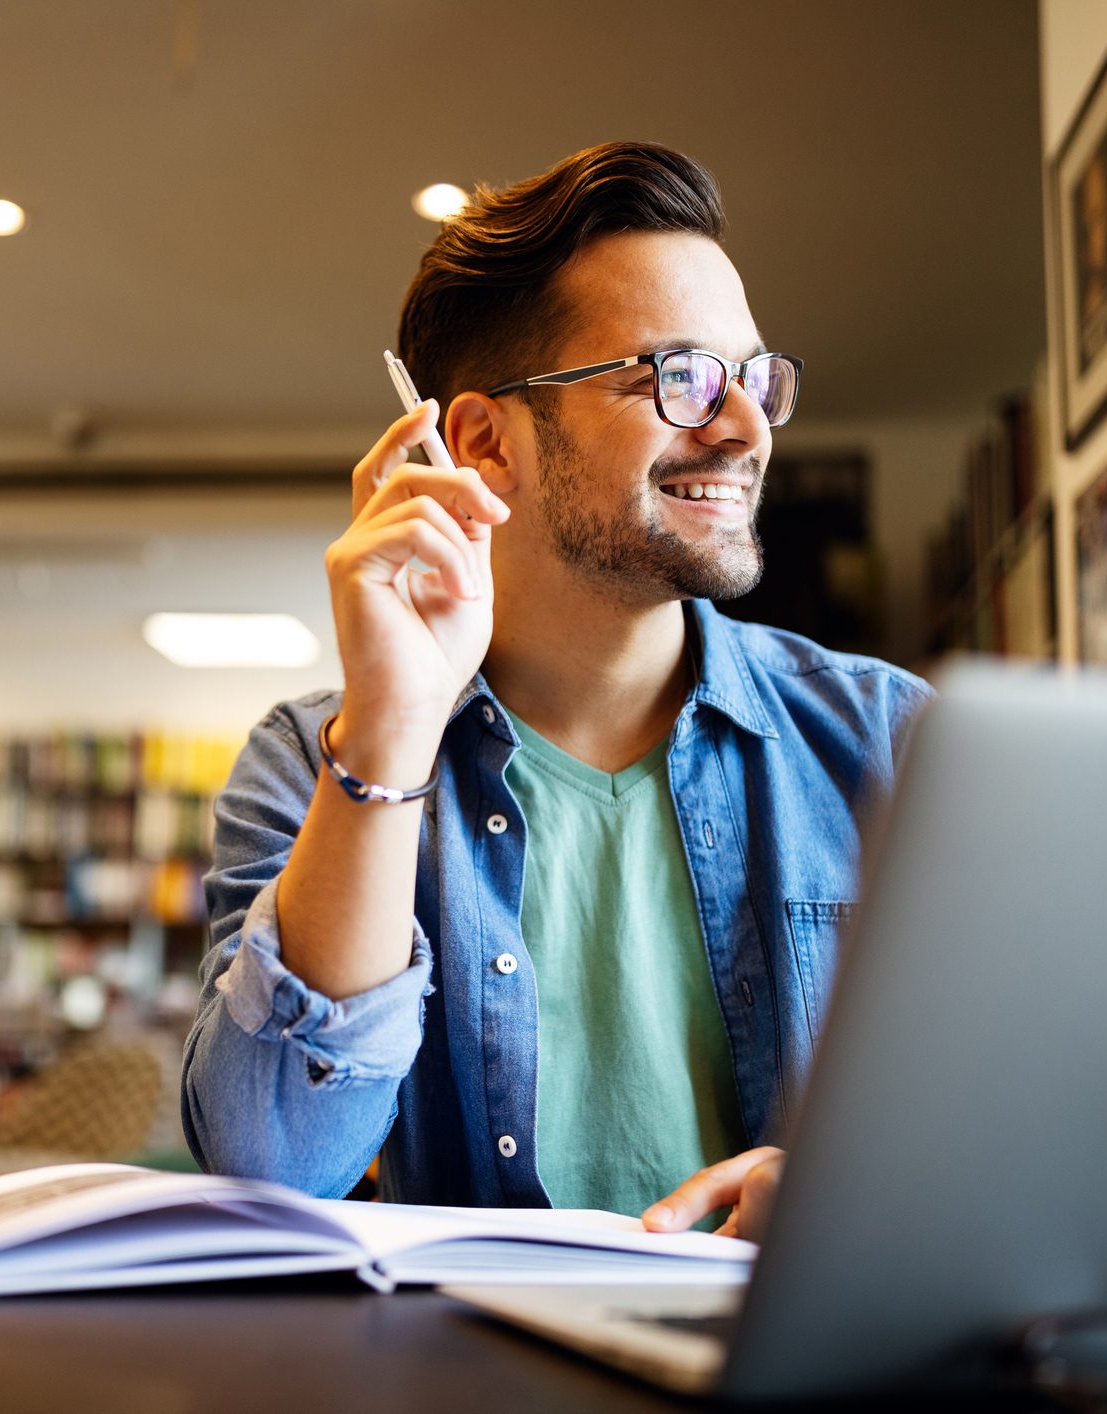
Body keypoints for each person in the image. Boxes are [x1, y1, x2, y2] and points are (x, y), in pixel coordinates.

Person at [181, 141, 931, 1240]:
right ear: (483, 443)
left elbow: (1055, 1118)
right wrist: (389, 733)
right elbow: (273, 1170)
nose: (744, 426)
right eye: (679, 375)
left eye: (752, 377)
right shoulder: (313, 762)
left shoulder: (888, 742)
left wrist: (875, 1192)